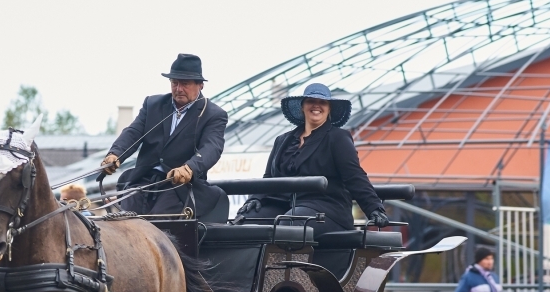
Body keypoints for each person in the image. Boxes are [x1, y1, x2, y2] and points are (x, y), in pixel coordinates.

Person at [236, 83, 389, 233]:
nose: (316, 105)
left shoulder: (338, 137)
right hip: (283, 204)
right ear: (302, 106)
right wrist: (255, 198)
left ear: (329, 109)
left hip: (324, 207)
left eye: (322, 102)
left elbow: (354, 175)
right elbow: (269, 177)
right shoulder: (282, 140)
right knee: (247, 219)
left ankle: (281, 259)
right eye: (311, 101)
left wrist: (374, 208)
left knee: (290, 222)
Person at [100, 53, 228, 218]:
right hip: (142, 180)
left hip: (179, 186)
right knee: (125, 222)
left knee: (158, 223)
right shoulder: (152, 104)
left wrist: (190, 168)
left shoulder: (213, 114)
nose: (178, 89)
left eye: (185, 84)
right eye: (174, 83)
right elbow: (133, 132)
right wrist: (115, 154)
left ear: (200, 85)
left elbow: (212, 147)